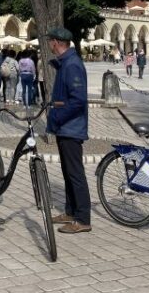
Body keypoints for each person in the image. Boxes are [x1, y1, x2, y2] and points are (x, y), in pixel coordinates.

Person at [45, 27, 91, 234]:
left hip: (71, 127)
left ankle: (82, 219)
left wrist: (57, 116)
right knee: (67, 172)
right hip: (66, 127)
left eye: (50, 41)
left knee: (75, 174)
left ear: (56, 42)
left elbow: (78, 101)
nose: (49, 45)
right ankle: (70, 211)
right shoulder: (66, 63)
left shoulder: (72, 65)